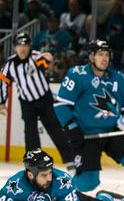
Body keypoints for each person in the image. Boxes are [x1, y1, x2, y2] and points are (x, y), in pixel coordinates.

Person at [53, 39, 124, 195]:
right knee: (88, 182)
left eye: (107, 55)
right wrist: (72, 129)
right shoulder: (77, 75)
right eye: (100, 54)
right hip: (86, 135)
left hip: (110, 131)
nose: (104, 58)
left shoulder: (119, 79)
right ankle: (63, 192)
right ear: (91, 57)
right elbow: (60, 106)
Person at [0, 149, 124, 201]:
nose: (49, 178)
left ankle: (106, 197)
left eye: (50, 172)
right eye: (44, 175)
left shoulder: (62, 181)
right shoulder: (15, 185)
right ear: (30, 175)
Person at [0, 33, 74, 168]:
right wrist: (2, 102)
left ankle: (70, 159)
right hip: (27, 102)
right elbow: (4, 82)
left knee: (55, 128)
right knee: (31, 133)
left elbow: (44, 61)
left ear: (29, 47)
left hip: (44, 99)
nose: (22, 49)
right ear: (15, 47)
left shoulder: (35, 56)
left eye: (25, 45)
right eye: (19, 45)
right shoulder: (10, 64)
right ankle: (35, 162)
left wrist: (48, 60)